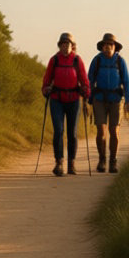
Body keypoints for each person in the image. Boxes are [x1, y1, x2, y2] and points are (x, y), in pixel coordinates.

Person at [40, 32, 89, 176]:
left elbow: (84, 80)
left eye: (68, 44)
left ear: (72, 46)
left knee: (72, 133)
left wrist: (86, 91)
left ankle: (71, 164)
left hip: (74, 100)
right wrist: (46, 89)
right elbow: (47, 79)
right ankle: (59, 163)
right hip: (57, 99)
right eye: (63, 44)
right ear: (60, 45)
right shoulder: (54, 60)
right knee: (59, 131)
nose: (65, 46)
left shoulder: (77, 60)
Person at [87, 32, 129, 173]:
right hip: (99, 99)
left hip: (116, 100)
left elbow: (126, 81)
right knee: (101, 131)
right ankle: (102, 159)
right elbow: (89, 81)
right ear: (102, 47)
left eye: (111, 45)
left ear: (115, 47)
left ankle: (113, 161)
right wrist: (88, 101)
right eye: (106, 45)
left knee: (114, 131)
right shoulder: (97, 60)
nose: (108, 47)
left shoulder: (120, 61)